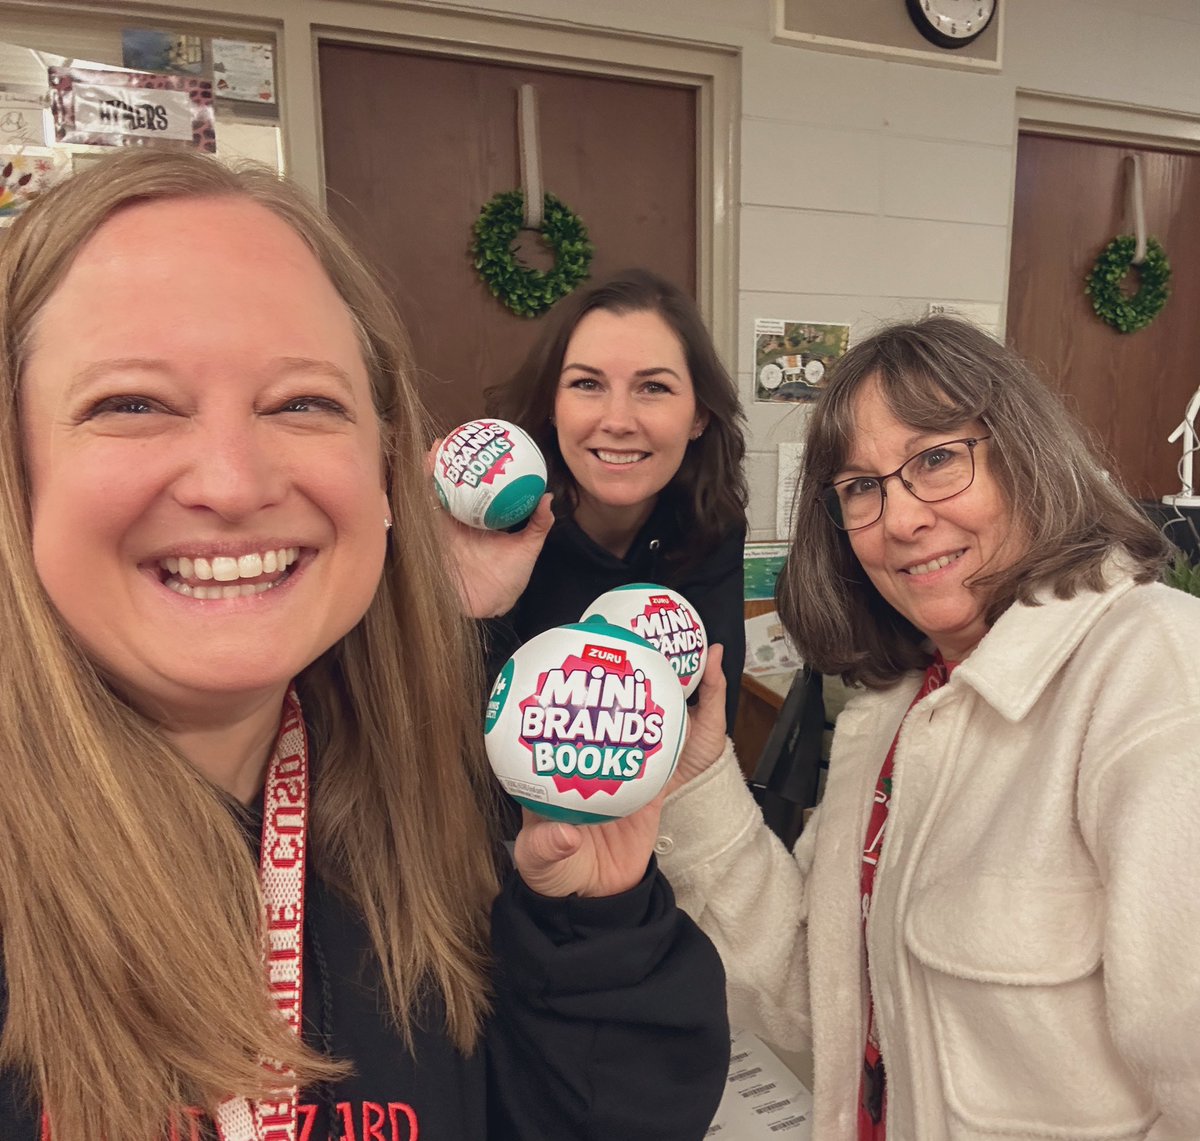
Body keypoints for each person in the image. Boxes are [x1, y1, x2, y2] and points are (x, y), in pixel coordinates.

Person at [0, 149, 730, 1141]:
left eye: (303, 403)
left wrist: (591, 923)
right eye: (132, 403)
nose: (232, 480)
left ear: (385, 470)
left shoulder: (443, 799)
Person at [655, 316, 1200, 1139]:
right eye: (860, 487)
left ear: (1025, 454)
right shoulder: (896, 706)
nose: (901, 519)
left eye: (938, 458)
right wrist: (698, 776)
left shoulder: (1154, 673)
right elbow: (823, 996)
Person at [446, 269, 748, 732]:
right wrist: (470, 618)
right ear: (552, 404)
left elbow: (707, 722)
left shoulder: (711, 526)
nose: (618, 420)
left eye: (654, 387)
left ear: (699, 416)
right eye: (587, 384)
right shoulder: (490, 524)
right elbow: (433, 748)